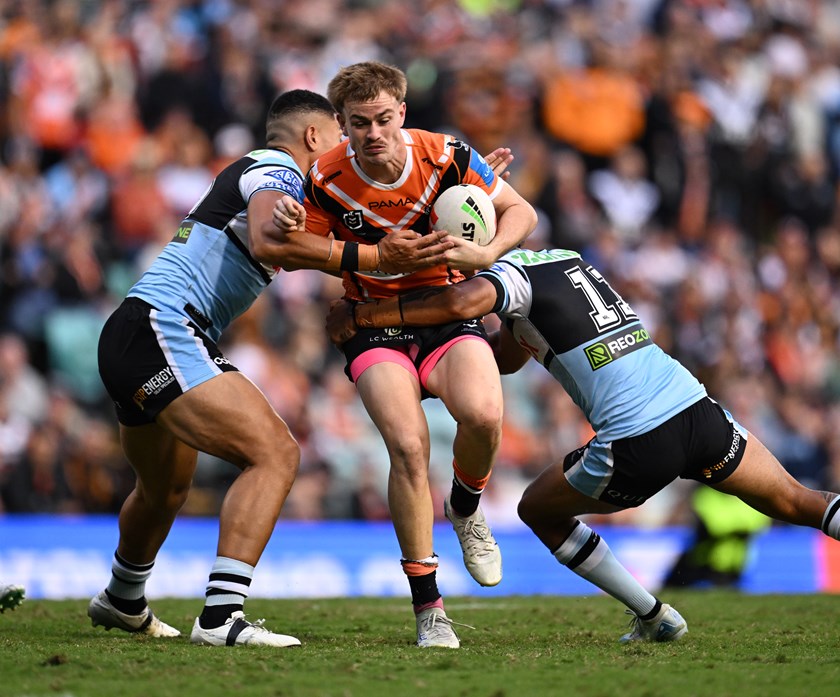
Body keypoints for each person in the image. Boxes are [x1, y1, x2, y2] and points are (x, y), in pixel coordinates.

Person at [89, 89, 456, 648]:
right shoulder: (276, 167)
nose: (347, 149)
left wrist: (460, 184)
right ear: (315, 137)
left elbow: (330, 236)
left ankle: (121, 597)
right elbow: (269, 237)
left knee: (163, 489)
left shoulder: (296, 190)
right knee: (275, 453)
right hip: (165, 329)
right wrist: (376, 258)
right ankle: (220, 618)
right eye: (340, 135)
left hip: (136, 333)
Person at [327, 246, 840, 642]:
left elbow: (463, 299)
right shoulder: (569, 261)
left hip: (638, 439)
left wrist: (370, 318)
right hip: (697, 411)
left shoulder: (511, 277)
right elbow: (507, 358)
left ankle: (654, 614)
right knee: (798, 500)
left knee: (538, 510)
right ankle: (654, 616)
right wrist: (463, 345)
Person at [273, 61, 538, 649]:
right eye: (359, 123)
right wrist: (302, 229)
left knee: (486, 415)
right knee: (409, 446)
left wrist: (486, 250)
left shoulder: (446, 156)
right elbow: (297, 251)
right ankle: (430, 611)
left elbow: (523, 212)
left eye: (384, 119)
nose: (373, 134)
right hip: (372, 324)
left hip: (445, 309)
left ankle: (466, 506)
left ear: (402, 113)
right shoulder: (323, 178)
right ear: (340, 124)